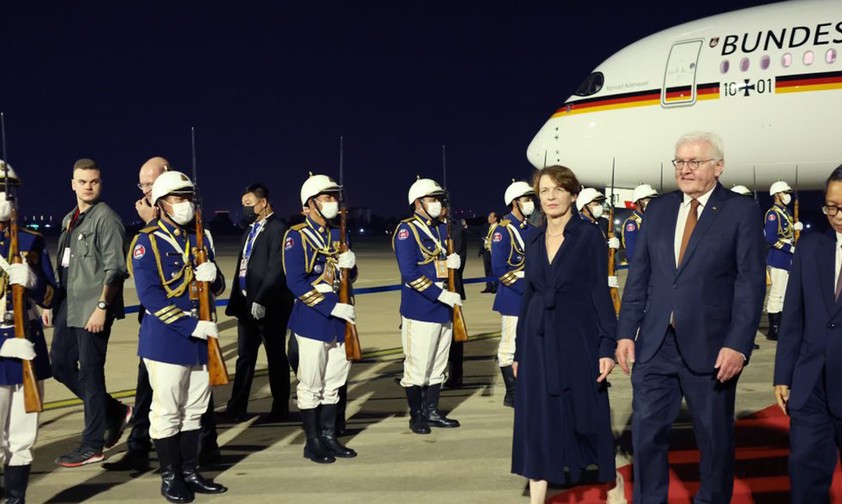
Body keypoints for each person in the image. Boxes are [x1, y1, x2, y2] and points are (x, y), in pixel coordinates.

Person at [616, 132, 766, 503]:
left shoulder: (739, 211)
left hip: (712, 349)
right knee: (646, 438)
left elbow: (749, 285)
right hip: (654, 345)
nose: (684, 169)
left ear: (718, 166)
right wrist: (625, 333)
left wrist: (738, 345)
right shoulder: (660, 210)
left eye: (694, 162)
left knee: (713, 441)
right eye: (679, 162)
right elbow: (640, 278)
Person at [511, 165, 623, 504]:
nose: (550, 196)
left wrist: (607, 345)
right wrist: (518, 351)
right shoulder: (532, 239)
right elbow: (528, 295)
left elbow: (598, 293)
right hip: (536, 339)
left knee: (587, 414)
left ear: (573, 195)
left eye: (558, 190)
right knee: (537, 418)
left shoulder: (589, 236)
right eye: (544, 191)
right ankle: (537, 495)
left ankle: (611, 481)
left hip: (577, 338)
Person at [129, 171, 227, 502]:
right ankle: (170, 476)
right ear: (161, 204)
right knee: (167, 410)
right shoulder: (147, 241)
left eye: (189, 197)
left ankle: (190, 471)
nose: (186, 204)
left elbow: (217, 286)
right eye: (178, 198)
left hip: (201, 339)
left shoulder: (201, 238)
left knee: (194, 409)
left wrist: (213, 278)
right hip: (167, 341)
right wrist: (190, 326)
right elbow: (151, 297)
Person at [48, 158, 131, 467]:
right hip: (69, 307)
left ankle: (92, 444)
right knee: (60, 365)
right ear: (73, 184)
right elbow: (66, 267)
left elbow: (115, 270)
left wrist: (101, 309)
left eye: (93, 181)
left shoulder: (106, 219)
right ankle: (114, 411)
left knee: (91, 375)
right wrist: (53, 306)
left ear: (100, 183)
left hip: (93, 309)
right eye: (82, 181)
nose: (88, 186)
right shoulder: (71, 219)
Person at [774, 164, 842, 504]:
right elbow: (793, 316)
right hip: (810, 385)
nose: (836, 215)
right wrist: (783, 374)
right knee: (805, 475)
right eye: (831, 206)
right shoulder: (810, 246)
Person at [283, 173, 358, 464]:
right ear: (309, 204)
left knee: (334, 383)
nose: (333, 203)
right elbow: (296, 283)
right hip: (313, 320)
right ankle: (312, 441)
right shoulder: (296, 236)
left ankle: (329, 436)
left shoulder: (341, 234)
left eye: (334, 197)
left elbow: (347, 279)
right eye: (327, 197)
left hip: (340, 321)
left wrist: (350, 269)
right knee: (311, 384)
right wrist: (330, 308)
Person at [0, 162, 57, 502]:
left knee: (23, 434)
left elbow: (53, 294)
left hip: (28, 346)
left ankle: (17, 498)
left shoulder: (30, 240)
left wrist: (33, 283)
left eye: (9, 191)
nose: (6, 197)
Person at [393, 177, 462, 435]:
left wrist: (450, 265)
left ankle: (432, 411)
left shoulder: (438, 229)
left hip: (442, 308)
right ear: (418, 203)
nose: (437, 204)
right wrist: (439, 294)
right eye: (433, 199)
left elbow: (437, 264)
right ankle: (417, 415)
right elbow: (410, 272)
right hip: (420, 308)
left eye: (439, 199)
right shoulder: (406, 230)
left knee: (438, 365)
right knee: (418, 366)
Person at [225, 183, 294, 422]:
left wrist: (262, 298)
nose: (246, 209)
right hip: (246, 308)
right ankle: (237, 406)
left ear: (263, 203)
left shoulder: (279, 229)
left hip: (270, 308)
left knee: (276, 357)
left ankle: (280, 406)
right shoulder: (250, 231)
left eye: (249, 204)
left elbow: (276, 268)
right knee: (245, 358)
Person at [491, 180, 536, 407]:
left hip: (532, 294)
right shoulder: (502, 231)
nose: (531, 203)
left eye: (531, 199)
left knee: (530, 345)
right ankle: (512, 393)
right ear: (514, 203)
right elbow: (500, 269)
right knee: (510, 346)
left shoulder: (532, 229)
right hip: (513, 296)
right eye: (526, 199)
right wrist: (524, 290)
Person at [765, 180, 802, 341]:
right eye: (785, 193)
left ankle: (781, 325)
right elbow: (771, 238)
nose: (787, 196)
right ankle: (774, 329)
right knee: (776, 293)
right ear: (777, 195)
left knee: (784, 293)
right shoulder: (773, 214)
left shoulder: (785, 212)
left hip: (786, 257)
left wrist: (796, 227)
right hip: (779, 257)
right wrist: (789, 248)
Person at [622, 183, 658, 265]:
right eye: (648, 200)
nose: (652, 203)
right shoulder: (632, 223)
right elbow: (632, 254)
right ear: (639, 202)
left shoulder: (651, 220)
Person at [480, 211, 498, 293]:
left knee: (494, 269)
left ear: (495, 218)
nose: (489, 218)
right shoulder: (486, 227)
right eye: (488, 216)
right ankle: (488, 286)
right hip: (486, 251)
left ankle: (496, 286)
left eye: (491, 216)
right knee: (487, 269)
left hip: (494, 252)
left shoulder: (499, 228)